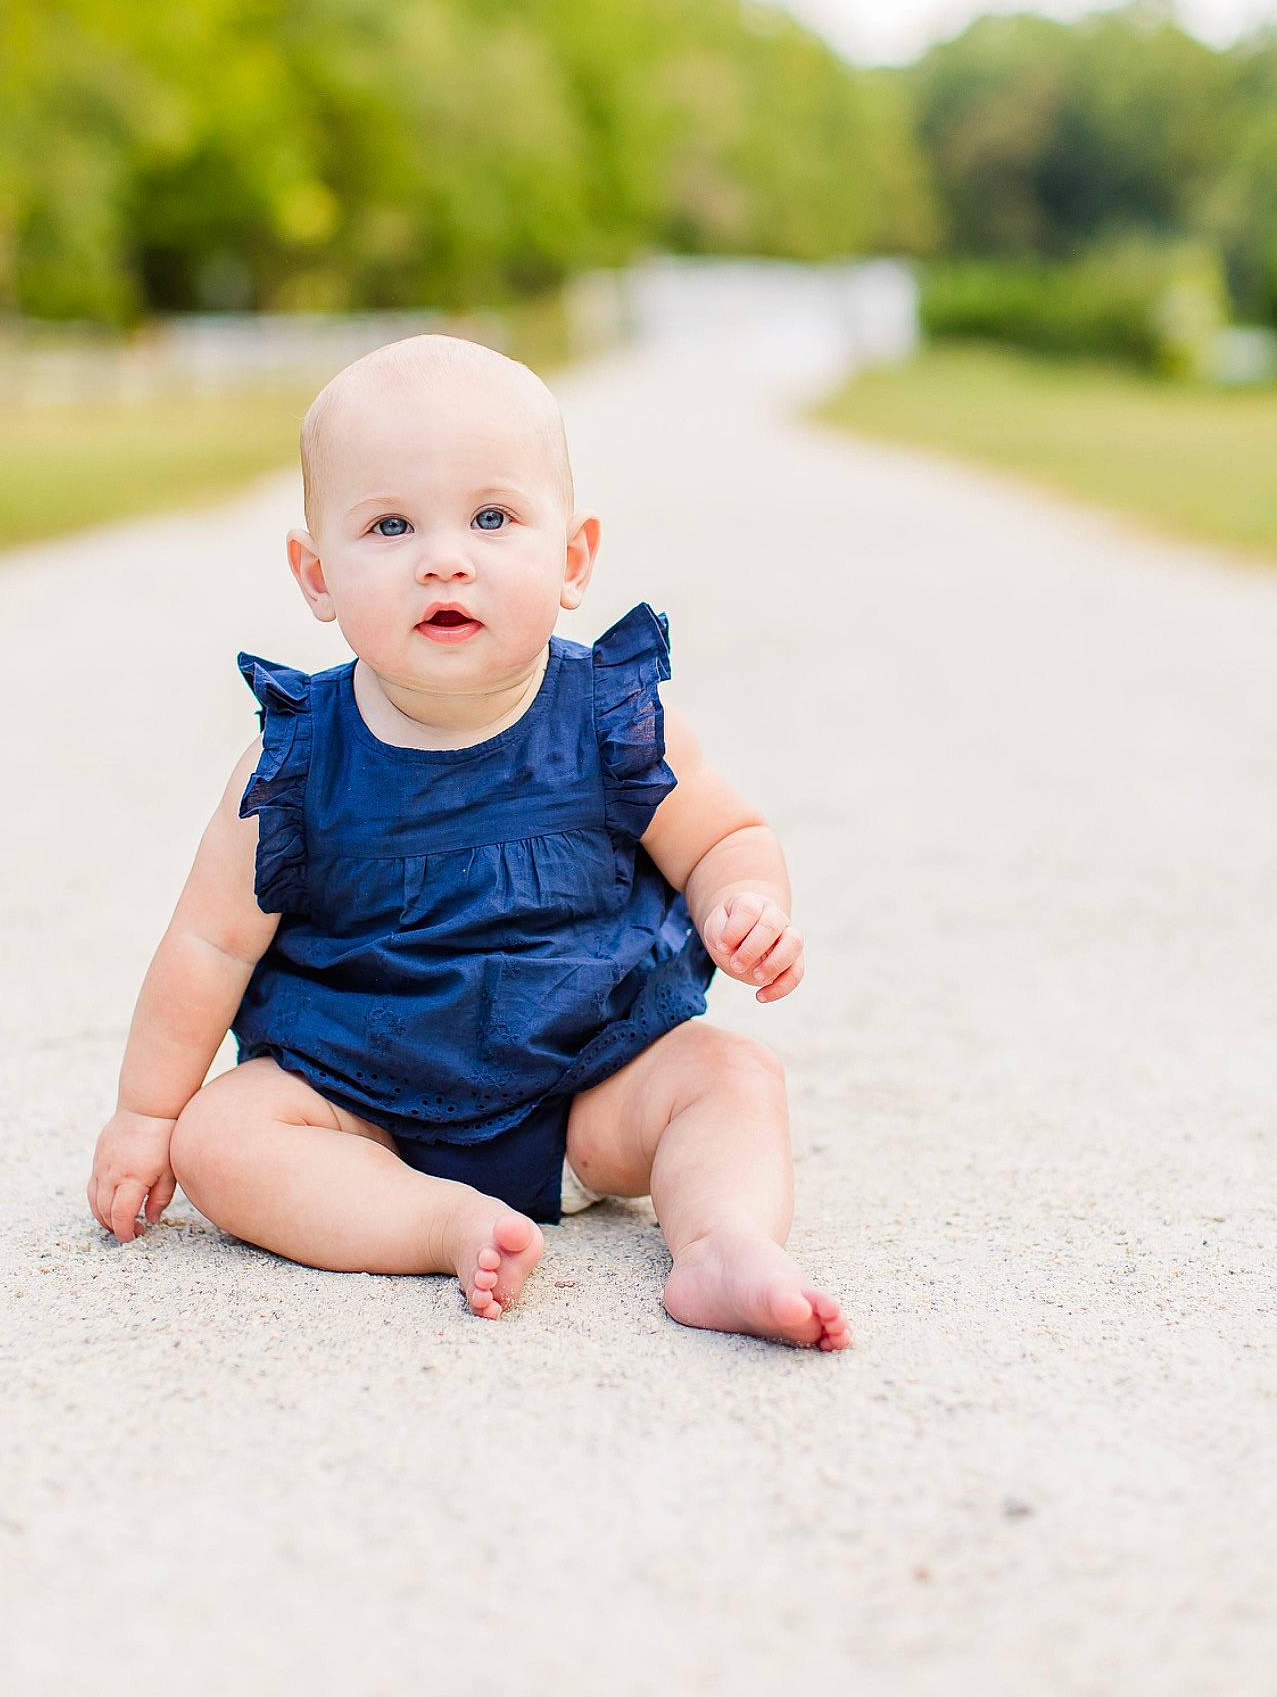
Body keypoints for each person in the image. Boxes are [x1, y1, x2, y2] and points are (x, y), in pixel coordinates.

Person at [87, 335, 850, 1350]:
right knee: (222, 1138)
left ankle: (723, 1240)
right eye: (390, 523)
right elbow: (207, 946)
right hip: (364, 1108)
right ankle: (436, 1221)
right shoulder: (293, 766)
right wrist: (147, 1115)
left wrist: (743, 901)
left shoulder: (617, 717)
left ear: (572, 558)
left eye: (493, 517)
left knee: (731, 1075)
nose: (444, 557)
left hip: (591, 1084)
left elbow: (726, 834)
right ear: (316, 575)